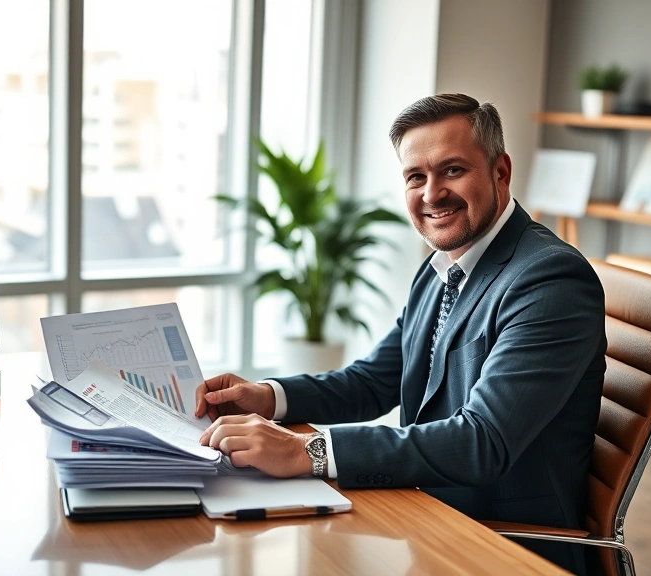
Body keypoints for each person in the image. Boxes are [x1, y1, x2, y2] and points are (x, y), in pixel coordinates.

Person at [195, 93, 606, 575]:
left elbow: (483, 441)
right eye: (416, 177)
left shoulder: (549, 278)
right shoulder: (443, 268)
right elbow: (374, 381)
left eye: (452, 170)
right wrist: (268, 397)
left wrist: (306, 450)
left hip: (500, 543)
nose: (432, 194)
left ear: (500, 172)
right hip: (424, 514)